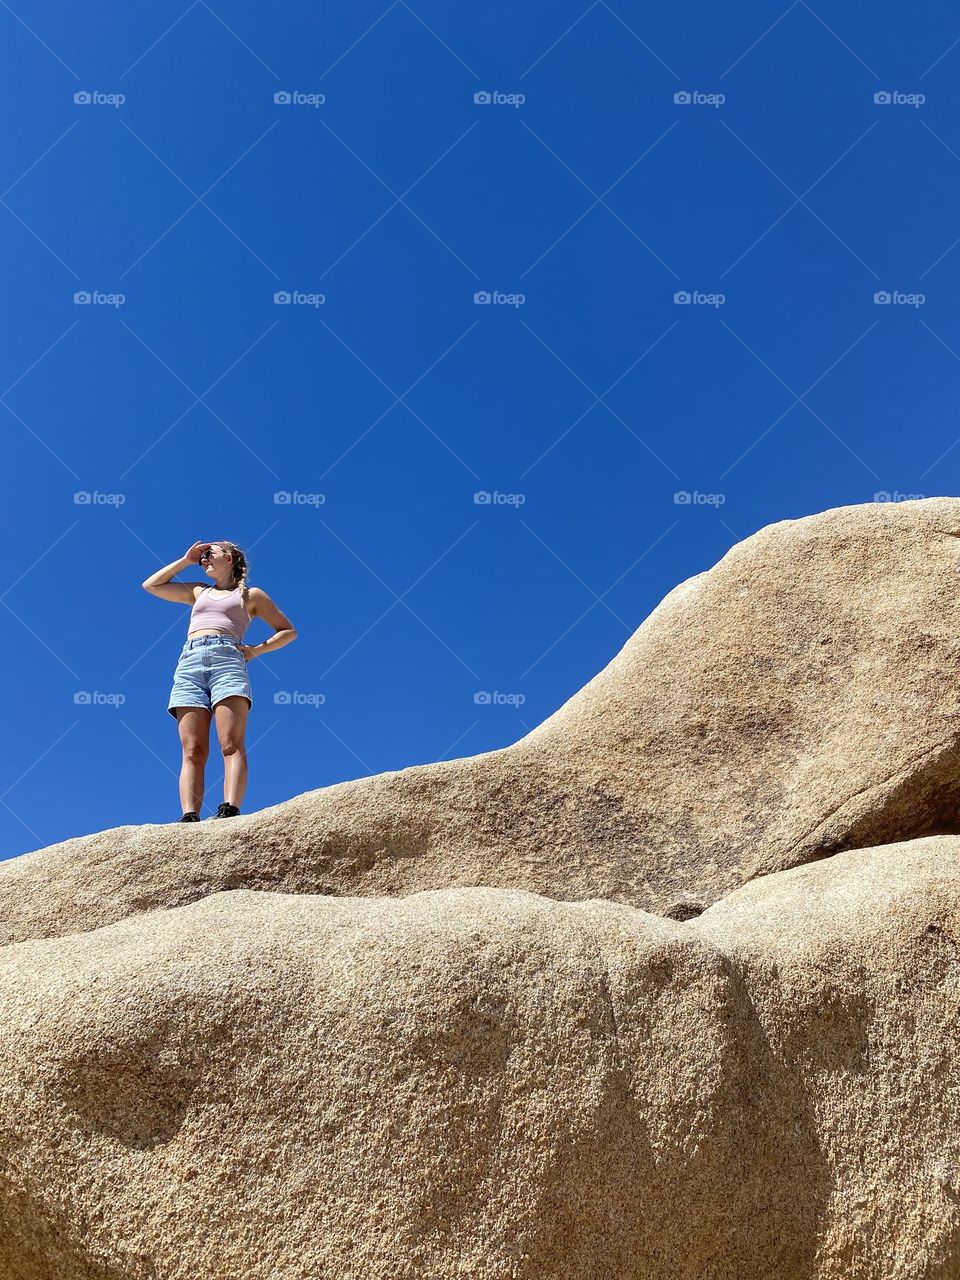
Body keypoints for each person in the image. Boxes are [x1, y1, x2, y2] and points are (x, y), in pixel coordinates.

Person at [142, 540, 298, 823]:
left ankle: (230, 808)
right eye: (201, 558)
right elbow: (151, 585)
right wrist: (185, 560)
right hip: (189, 663)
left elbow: (288, 631)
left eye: (209, 554)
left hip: (228, 660)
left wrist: (257, 650)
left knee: (230, 742)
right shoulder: (198, 591)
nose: (204, 560)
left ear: (231, 557)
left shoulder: (250, 595)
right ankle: (190, 816)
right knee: (193, 749)